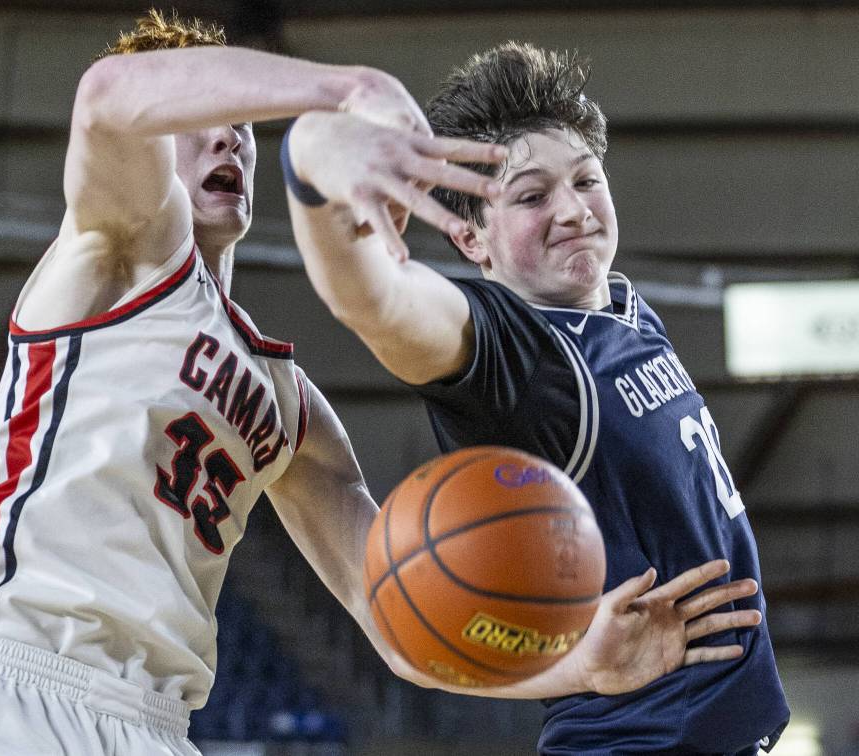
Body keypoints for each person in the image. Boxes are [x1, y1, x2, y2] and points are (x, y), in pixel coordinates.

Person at [0, 13, 765, 755]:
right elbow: (109, 98)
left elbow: (393, 617)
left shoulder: (288, 401)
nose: (230, 134)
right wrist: (343, 90)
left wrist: (581, 668)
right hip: (13, 689)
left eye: (241, 127)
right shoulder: (109, 260)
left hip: (157, 723)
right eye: (202, 125)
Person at [283, 41, 789, 754]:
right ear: (469, 237)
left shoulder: (624, 311)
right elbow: (376, 301)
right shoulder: (513, 354)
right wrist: (315, 167)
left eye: (586, 180)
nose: (574, 210)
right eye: (531, 196)